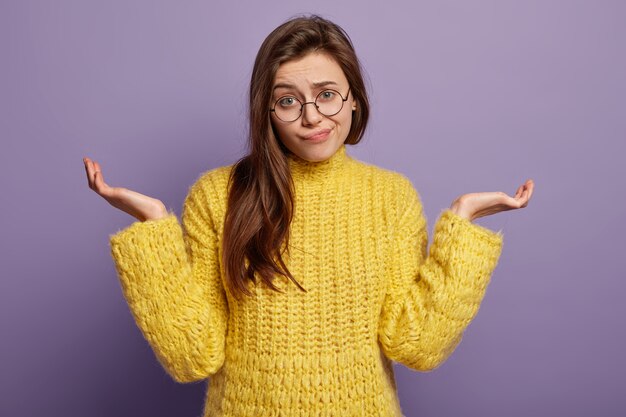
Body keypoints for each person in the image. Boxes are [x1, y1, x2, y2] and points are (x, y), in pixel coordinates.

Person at [83, 14, 534, 417]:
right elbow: (191, 355)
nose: (311, 117)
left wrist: (463, 228)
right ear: (268, 110)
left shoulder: (391, 197)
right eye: (288, 101)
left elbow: (416, 344)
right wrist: (152, 232)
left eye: (327, 95)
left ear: (353, 99)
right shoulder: (217, 194)